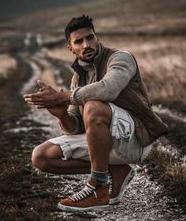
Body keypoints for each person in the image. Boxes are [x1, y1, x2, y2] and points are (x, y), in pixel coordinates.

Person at [23, 15, 168, 212]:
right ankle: (116, 169)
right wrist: (62, 114)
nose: (86, 44)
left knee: (92, 106)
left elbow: (108, 89)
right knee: (41, 157)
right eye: (79, 41)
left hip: (135, 139)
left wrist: (63, 97)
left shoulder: (120, 58)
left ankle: (98, 188)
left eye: (90, 38)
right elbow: (75, 128)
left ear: (96, 38)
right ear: (70, 48)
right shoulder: (77, 78)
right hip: (106, 143)